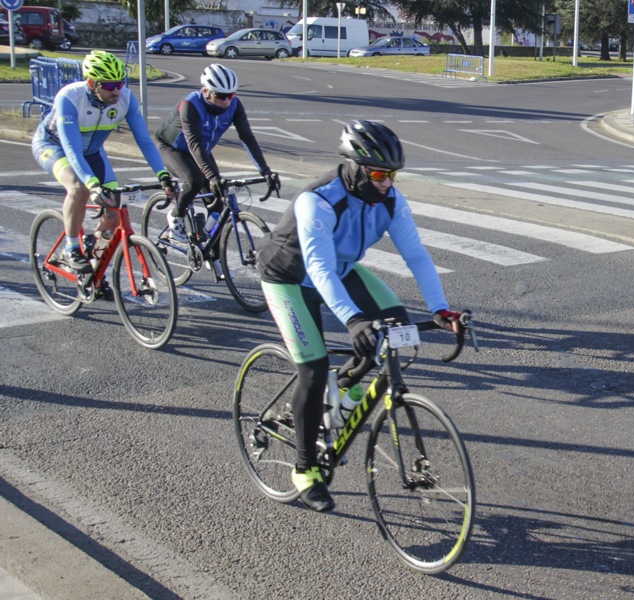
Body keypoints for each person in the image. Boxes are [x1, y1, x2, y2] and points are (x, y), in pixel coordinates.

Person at [255, 120, 463, 512]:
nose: (388, 182)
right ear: (353, 166)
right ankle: (305, 469)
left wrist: (439, 309)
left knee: (395, 327)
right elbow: (319, 269)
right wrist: (353, 320)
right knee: (313, 369)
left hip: (342, 270)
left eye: (393, 174)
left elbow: (416, 255)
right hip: (290, 277)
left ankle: (343, 392)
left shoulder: (389, 200)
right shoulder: (317, 200)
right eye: (380, 173)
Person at [31, 50, 176, 276]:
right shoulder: (69, 98)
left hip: (92, 151)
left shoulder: (126, 98)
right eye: (109, 86)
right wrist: (92, 184)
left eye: (120, 83)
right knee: (78, 189)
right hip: (54, 147)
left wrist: (163, 175)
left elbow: (145, 141)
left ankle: (93, 271)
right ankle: (71, 248)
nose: (117, 90)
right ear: (91, 83)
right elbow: (72, 149)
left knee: (114, 215)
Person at [156, 64, 277, 248]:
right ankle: (176, 217)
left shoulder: (234, 105)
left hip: (202, 150)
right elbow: (194, 143)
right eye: (221, 96)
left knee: (218, 203)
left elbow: (247, 137)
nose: (227, 101)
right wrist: (212, 177)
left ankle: (209, 248)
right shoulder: (189, 105)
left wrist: (265, 171)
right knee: (195, 180)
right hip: (174, 149)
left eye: (231, 95)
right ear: (206, 91)